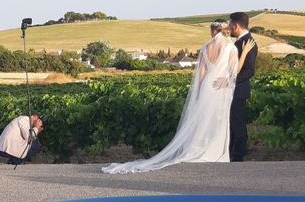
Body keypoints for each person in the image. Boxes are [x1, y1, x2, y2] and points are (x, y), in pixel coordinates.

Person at [102, 19, 255, 174]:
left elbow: (201, 75)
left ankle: (199, 149)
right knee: (217, 120)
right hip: (220, 86)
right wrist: (245, 53)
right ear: (226, 30)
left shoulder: (205, 48)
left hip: (207, 87)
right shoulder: (230, 48)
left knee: (202, 120)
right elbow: (235, 71)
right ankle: (213, 152)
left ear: (213, 31)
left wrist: (198, 94)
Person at [228, 12, 258, 162]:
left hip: (238, 90)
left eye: (230, 25)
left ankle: (238, 154)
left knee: (237, 123)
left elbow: (249, 70)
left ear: (236, 26)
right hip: (233, 90)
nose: (229, 28)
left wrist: (232, 81)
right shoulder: (240, 42)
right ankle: (232, 152)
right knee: (232, 123)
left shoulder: (248, 42)